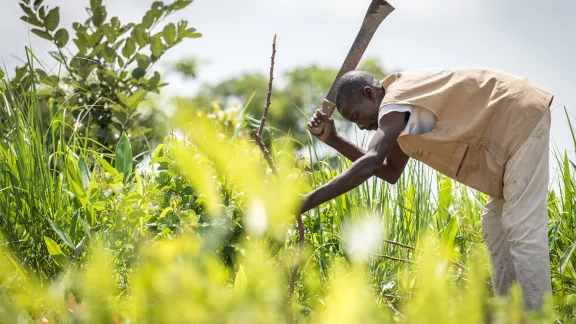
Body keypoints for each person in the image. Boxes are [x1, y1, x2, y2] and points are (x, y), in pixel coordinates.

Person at [299, 67, 554, 311]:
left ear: (369, 93)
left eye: (356, 116)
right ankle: (511, 316)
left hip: (519, 117)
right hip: (508, 133)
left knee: (522, 227)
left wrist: (306, 201)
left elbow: (372, 162)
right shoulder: (399, 114)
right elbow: (389, 172)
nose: (361, 126)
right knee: (496, 225)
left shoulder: (394, 102)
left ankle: (539, 317)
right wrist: (331, 139)